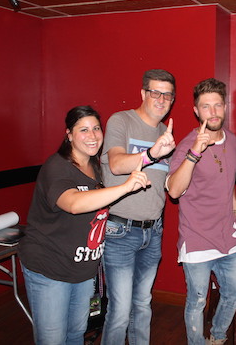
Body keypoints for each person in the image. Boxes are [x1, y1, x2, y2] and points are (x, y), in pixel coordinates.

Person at [19, 106, 150, 345]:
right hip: (50, 267)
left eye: (97, 128)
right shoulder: (57, 167)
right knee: (53, 340)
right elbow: (73, 204)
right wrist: (125, 187)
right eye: (84, 130)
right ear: (69, 134)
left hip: (82, 270)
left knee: (76, 334)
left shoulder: (95, 165)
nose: (93, 135)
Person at [100, 69, 176, 345]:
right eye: (155, 92)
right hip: (119, 230)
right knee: (120, 310)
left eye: (167, 95)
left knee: (143, 304)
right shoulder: (121, 121)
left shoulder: (165, 134)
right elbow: (118, 164)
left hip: (153, 231)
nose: (161, 99)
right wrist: (152, 153)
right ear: (143, 93)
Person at [166, 78, 236, 345]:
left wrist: (235, 208)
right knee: (198, 300)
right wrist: (193, 154)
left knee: (235, 293)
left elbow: (229, 180)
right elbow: (174, 191)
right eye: (206, 106)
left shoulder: (232, 140)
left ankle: (217, 337)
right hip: (197, 236)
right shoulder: (187, 144)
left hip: (227, 235)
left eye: (217, 105)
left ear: (224, 107)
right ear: (196, 111)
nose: (213, 112)